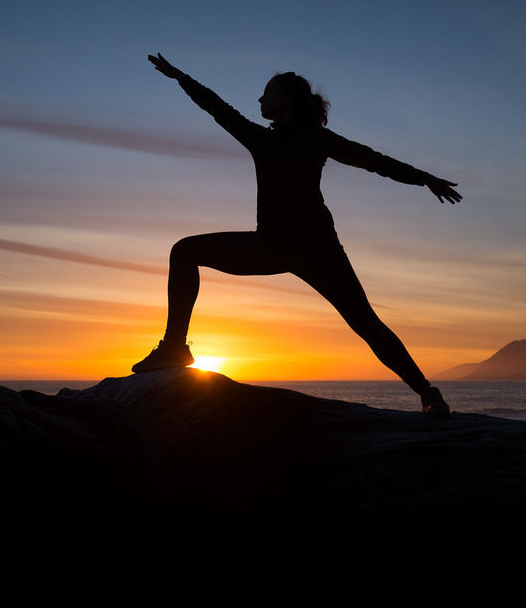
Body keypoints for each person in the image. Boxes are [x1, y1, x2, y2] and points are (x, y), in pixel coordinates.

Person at [133, 53, 460, 417]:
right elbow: (216, 106)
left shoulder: (315, 139)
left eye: (266, 93)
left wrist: (424, 178)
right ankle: (175, 347)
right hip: (272, 246)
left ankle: (428, 392)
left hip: (316, 249)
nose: (259, 100)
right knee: (184, 251)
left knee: (365, 323)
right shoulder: (263, 138)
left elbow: (373, 160)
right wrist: (181, 77)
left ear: (287, 97)